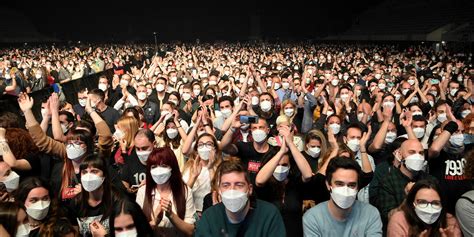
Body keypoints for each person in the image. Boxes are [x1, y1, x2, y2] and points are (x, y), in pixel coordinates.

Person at [194, 159, 286, 237]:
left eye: (239, 185)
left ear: (249, 189)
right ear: (219, 191)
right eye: (226, 185)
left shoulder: (269, 215)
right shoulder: (209, 218)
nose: (232, 190)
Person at [303, 157, 383, 237]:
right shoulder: (313, 217)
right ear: (328, 184)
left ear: (358, 187)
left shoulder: (370, 214)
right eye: (339, 184)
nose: (345, 190)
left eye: (351, 185)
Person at [136, 147, 196, 237]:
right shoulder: (143, 191)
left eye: (164, 166)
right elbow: (137, 230)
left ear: (172, 167)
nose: (159, 171)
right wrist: (154, 222)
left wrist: (171, 215)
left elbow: (190, 231)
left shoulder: (185, 191)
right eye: (154, 167)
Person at [66, 154, 123, 237]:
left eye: (94, 171)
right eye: (84, 172)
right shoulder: (75, 202)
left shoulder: (117, 201)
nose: (88, 176)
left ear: (104, 175)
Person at [387, 179, 462, 237]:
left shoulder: (450, 222)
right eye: (422, 202)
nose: (429, 208)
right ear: (412, 204)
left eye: (435, 203)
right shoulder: (399, 220)